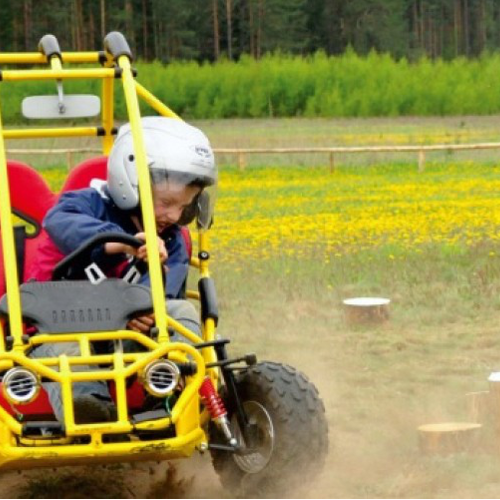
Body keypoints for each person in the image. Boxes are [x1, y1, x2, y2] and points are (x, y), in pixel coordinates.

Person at [27, 116, 217, 423]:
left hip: (125, 337)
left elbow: (166, 293)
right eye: (167, 202)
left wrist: (147, 309)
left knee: (180, 311)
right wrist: (124, 243)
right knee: (69, 356)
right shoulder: (83, 204)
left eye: (185, 206)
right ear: (129, 184)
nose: (174, 214)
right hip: (56, 331)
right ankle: (91, 412)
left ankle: (177, 390)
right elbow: (60, 223)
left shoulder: (172, 240)